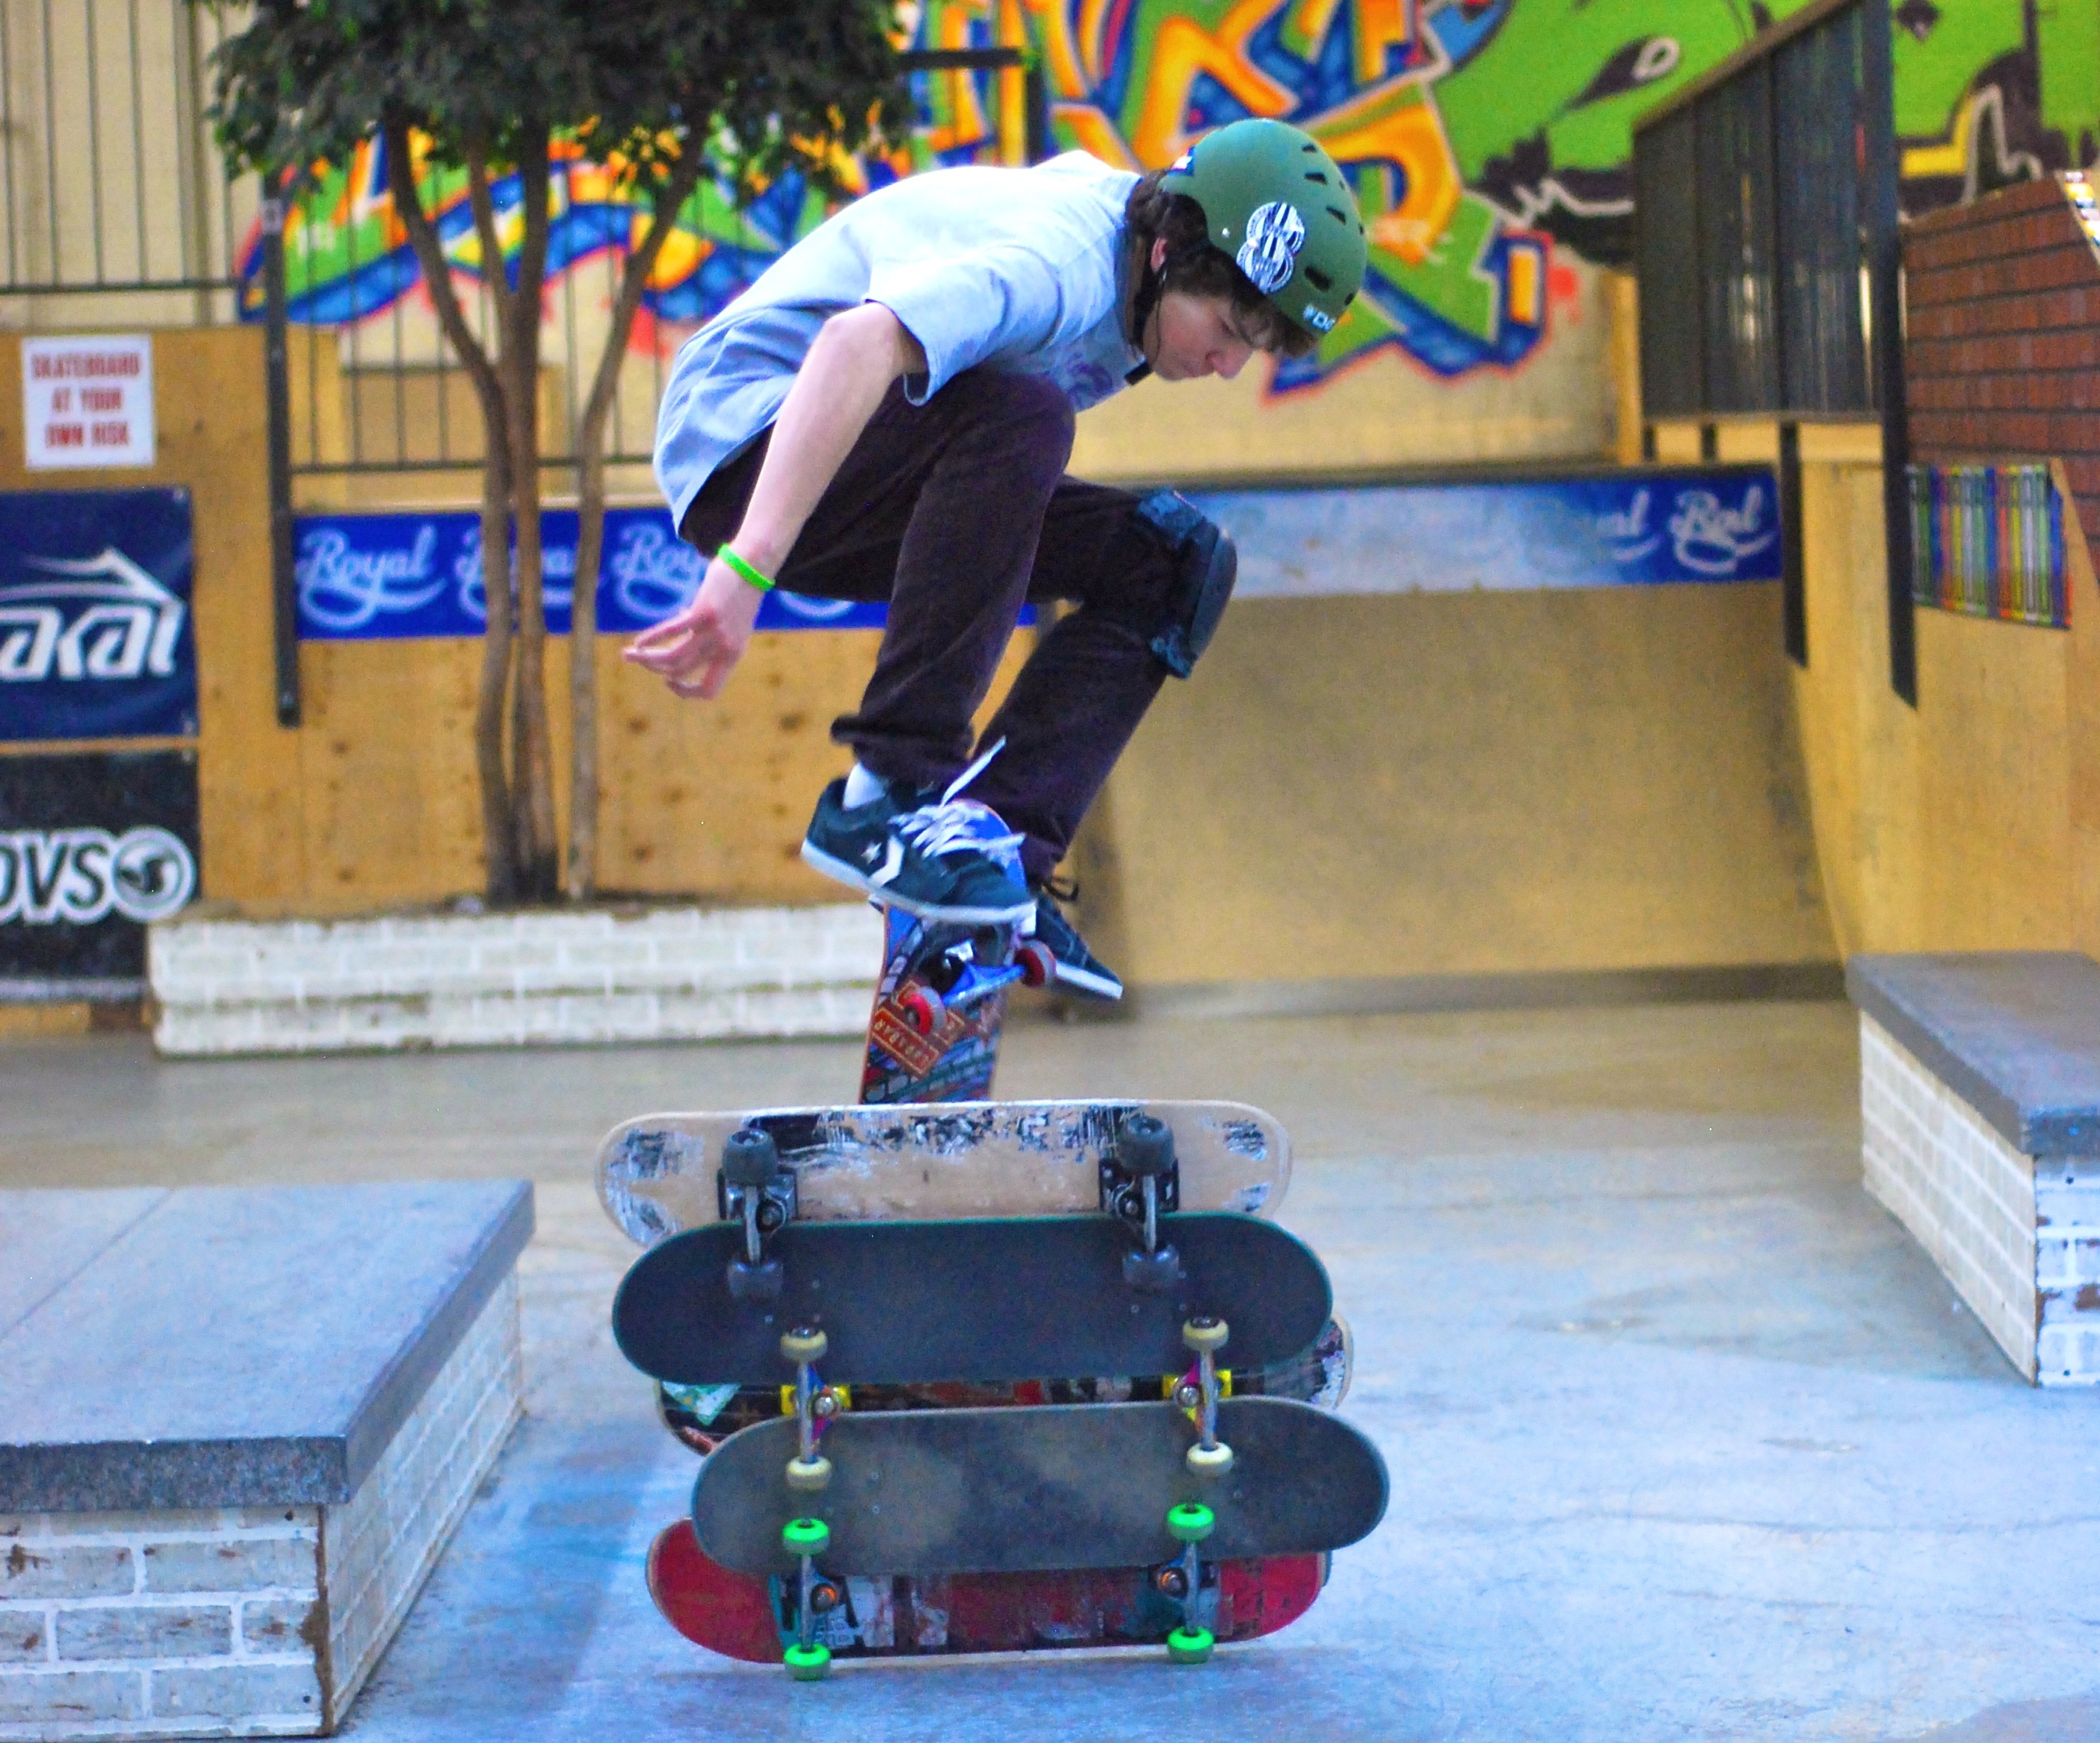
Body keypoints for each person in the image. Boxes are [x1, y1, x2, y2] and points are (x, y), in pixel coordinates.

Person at [628, 118, 1367, 1001]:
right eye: (1223, 328)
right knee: (1023, 419)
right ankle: (889, 796)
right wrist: (744, 569)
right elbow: (853, 346)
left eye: (1255, 348)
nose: (1225, 363)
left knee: (1171, 563)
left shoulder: (1139, 266)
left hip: (869, 456)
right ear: (1169, 250)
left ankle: (996, 850)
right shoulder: (1056, 266)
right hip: (744, 441)